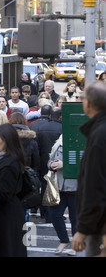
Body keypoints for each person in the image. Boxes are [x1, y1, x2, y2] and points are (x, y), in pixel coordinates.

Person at [72, 81, 106, 256]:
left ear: (88, 103)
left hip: (99, 227)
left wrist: (82, 229)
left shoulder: (99, 136)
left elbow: (95, 186)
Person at [0, 123, 27, 257]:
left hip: (7, 217)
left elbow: (4, 194)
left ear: (6, 140)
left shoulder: (9, 163)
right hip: (5, 214)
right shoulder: (7, 159)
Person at [47, 134, 77, 256]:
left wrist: (64, 165)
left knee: (75, 218)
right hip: (58, 186)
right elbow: (49, 160)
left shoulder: (84, 142)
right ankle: (64, 240)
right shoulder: (58, 142)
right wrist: (51, 165)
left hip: (76, 187)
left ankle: (75, 244)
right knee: (54, 214)